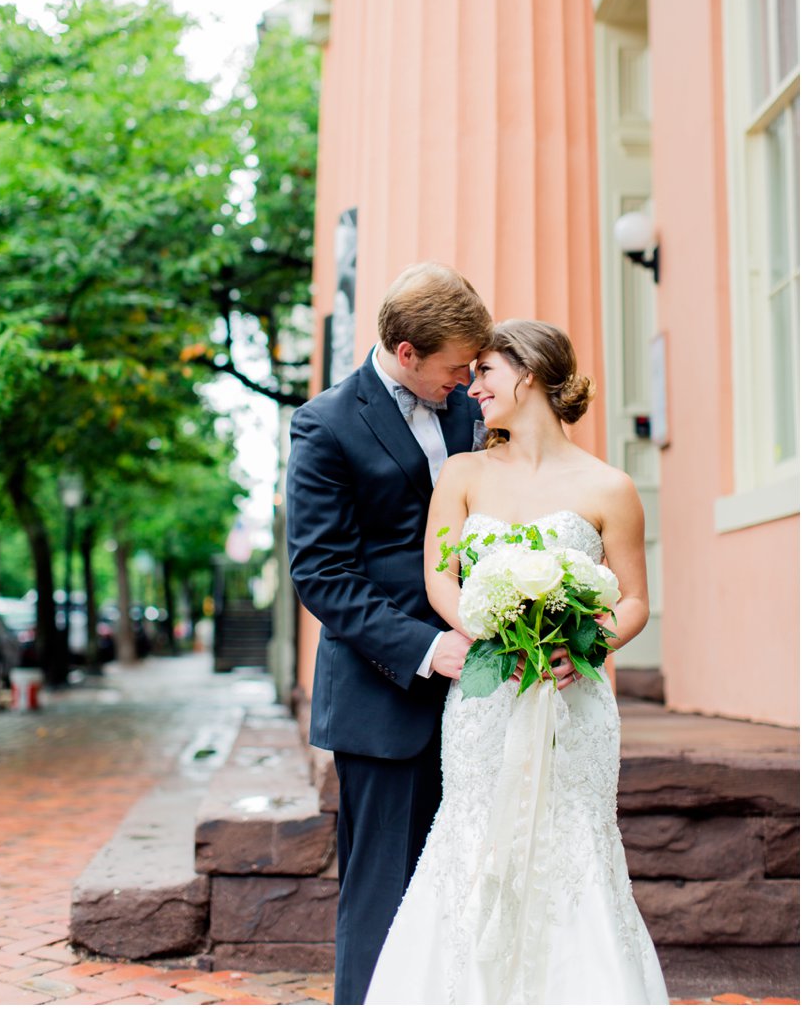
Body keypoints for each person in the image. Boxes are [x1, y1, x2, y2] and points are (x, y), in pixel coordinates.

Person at [365, 319, 669, 1005]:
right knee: (473, 832)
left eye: (485, 374)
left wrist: (582, 644)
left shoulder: (609, 486)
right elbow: (439, 576)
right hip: (487, 695)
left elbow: (634, 601)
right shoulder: (463, 473)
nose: (471, 389)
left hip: (571, 700)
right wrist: (486, 625)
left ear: (526, 373)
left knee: (572, 842)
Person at [286, 262, 494, 1006]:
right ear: (406, 352)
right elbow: (321, 574)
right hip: (384, 699)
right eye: (453, 366)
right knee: (383, 898)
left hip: (484, 689)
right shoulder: (326, 424)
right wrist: (426, 647)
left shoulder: (472, 407)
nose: (467, 379)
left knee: (466, 890)